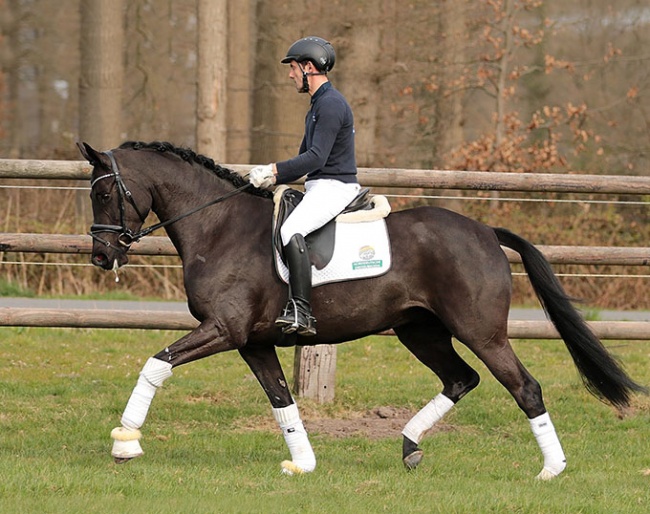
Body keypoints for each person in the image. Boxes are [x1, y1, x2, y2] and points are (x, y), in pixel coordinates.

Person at [249, 36, 360, 337]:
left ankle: (301, 310)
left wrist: (273, 170)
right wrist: (269, 181)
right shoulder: (317, 106)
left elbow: (316, 158)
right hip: (320, 186)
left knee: (289, 230)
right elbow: (303, 160)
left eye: (293, 68)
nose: (290, 75)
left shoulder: (331, 105)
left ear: (309, 67)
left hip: (335, 187)